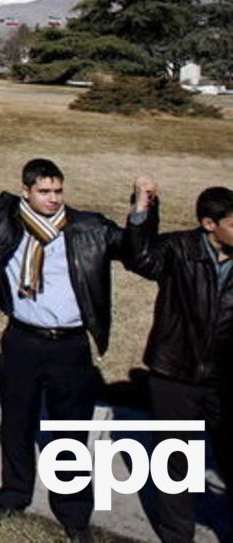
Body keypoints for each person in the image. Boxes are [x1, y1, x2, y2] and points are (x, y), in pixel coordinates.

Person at [0, 150, 144, 541]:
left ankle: (73, 515)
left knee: (70, 433)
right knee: (16, 425)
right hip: (21, 341)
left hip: (69, 347)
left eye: (58, 190)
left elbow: (135, 251)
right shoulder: (5, 215)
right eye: (44, 191)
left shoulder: (88, 227)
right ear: (26, 191)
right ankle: (13, 495)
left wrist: (139, 210)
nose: (53, 198)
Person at [125, 183, 232, 543]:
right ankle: (176, 534)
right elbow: (138, 258)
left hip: (224, 378)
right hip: (175, 373)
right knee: (176, 461)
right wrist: (142, 208)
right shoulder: (177, 249)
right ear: (209, 224)